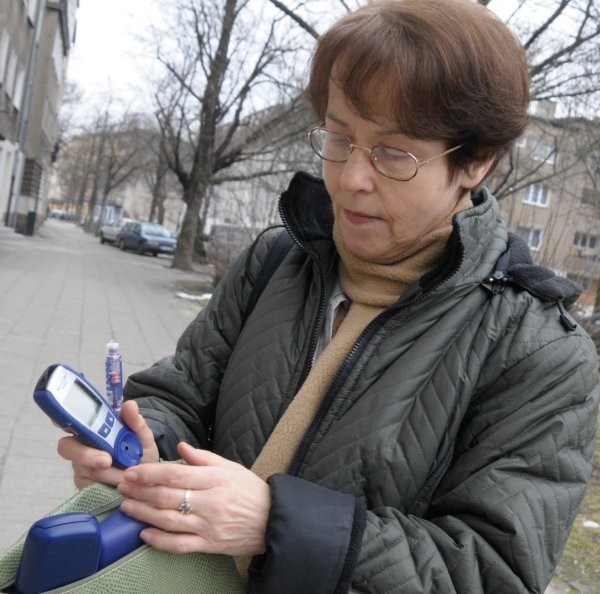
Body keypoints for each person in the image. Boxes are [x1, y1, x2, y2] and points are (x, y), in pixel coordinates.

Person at [58, 0, 600, 592]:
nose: (350, 177)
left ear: (476, 162)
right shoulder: (276, 262)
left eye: (394, 153)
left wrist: (275, 524)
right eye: (339, 138)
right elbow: (180, 391)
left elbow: (493, 572)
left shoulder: (539, 353)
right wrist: (140, 440)